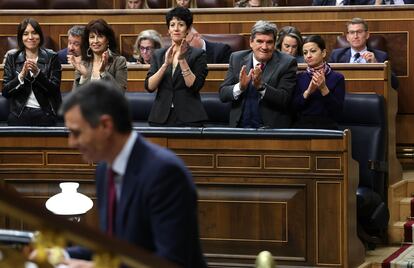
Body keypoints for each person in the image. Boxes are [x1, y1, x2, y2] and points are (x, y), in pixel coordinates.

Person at [61, 80, 207, 268]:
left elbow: (170, 262)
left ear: (105, 126)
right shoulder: (104, 170)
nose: (71, 143)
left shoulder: (165, 173)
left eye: (76, 133)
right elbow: (112, 246)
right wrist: (59, 255)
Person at [219, 20, 297, 128]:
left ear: (274, 44)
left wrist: (261, 87)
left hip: (271, 128)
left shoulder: (287, 63)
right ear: (251, 42)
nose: (264, 47)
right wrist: (240, 87)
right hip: (239, 126)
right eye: (259, 41)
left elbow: (285, 99)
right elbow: (223, 94)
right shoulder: (236, 58)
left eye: (269, 42)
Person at [145, 7, 208, 127]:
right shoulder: (159, 54)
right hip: (160, 116)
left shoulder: (198, 54)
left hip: (190, 117)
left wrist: (182, 60)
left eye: (181, 24)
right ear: (168, 30)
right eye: (172, 25)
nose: (176, 29)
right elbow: (149, 86)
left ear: (188, 29)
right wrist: (165, 65)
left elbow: (194, 86)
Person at [2, 18, 61, 126]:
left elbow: (54, 90)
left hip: (45, 113)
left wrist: (38, 74)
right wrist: (21, 76)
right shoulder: (12, 58)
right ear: (21, 37)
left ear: (40, 36)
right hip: (19, 114)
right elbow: (6, 92)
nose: (30, 37)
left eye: (34, 33)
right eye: (25, 34)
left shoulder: (52, 57)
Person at [328, 17, 399, 89]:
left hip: (370, 93)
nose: (355, 36)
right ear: (347, 37)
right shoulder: (336, 55)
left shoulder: (381, 56)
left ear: (367, 35)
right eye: (352, 32)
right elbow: (327, 80)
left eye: (359, 32)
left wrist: (377, 65)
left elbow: (394, 84)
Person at [292, 35, 345, 130]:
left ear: (323, 53)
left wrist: (323, 88)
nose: (308, 56)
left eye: (313, 51)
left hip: (328, 127)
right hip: (302, 127)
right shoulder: (299, 77)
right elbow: (293, 108)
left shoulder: (337, 77)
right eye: (305, 53)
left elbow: (337, 112)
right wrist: (308, 92)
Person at [70, 19, 127, 91]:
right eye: (92, 37)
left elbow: (120, 93)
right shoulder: (83, 63)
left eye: (100, 36)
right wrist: (84, 76)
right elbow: (75, 96)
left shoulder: (119, 61)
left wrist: (103, 73)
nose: (95, 41)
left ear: (108, 40)